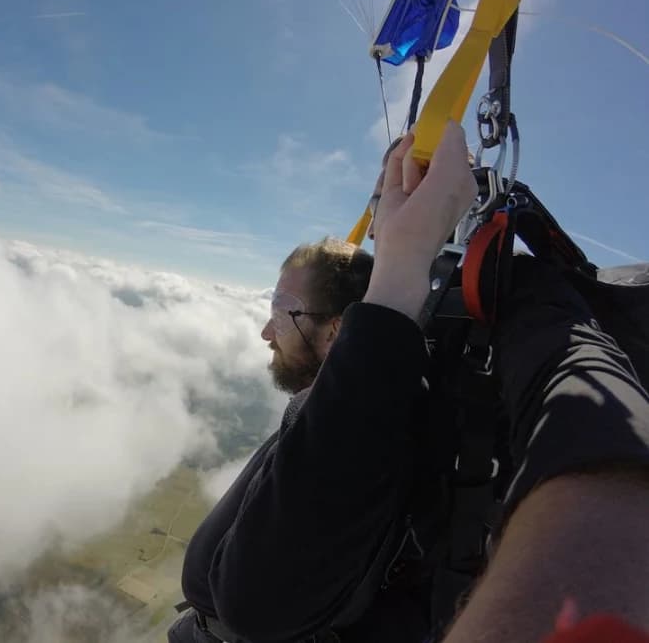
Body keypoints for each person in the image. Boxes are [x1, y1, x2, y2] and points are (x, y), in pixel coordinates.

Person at [167, 122, 649, 643]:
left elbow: (256, 603)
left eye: (282, 312)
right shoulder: (343, 392)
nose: (265, 330)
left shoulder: (377, 407)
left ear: (336, 331)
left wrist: (397, 277)